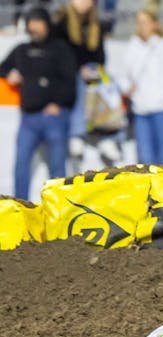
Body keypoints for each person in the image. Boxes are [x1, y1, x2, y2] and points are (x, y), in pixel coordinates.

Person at [0, 7, 75, 200]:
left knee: (57, 167)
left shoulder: (60, 49)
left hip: (54, 118)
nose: (33, 28)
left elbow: (70, 82)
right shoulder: (22, 50)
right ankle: (20, 206)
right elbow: (3, 67)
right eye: (30, 23)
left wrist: (58, 103)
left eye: (37, 23)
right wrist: (10, 74)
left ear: (46, 24)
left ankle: (59, 207)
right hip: (29, 118)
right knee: (21, 163)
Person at [52, 0, 121, 170]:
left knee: (109, 83)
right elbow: (60, 53)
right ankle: (77, 133)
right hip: (68, 74)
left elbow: (100, 56)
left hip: (90, 72)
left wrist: (94, 69)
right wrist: (79, 68)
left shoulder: (95, 24)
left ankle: (109, 135)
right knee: (80, 83)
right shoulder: (62, 22)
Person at [113, 9, 163, 165]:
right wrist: (128, 89)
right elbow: (122, 75)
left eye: (146, 22)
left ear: (155, 24)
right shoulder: (133, 47)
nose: (142, 26)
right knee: (144, 160)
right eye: (139, 22)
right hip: (141, 110)